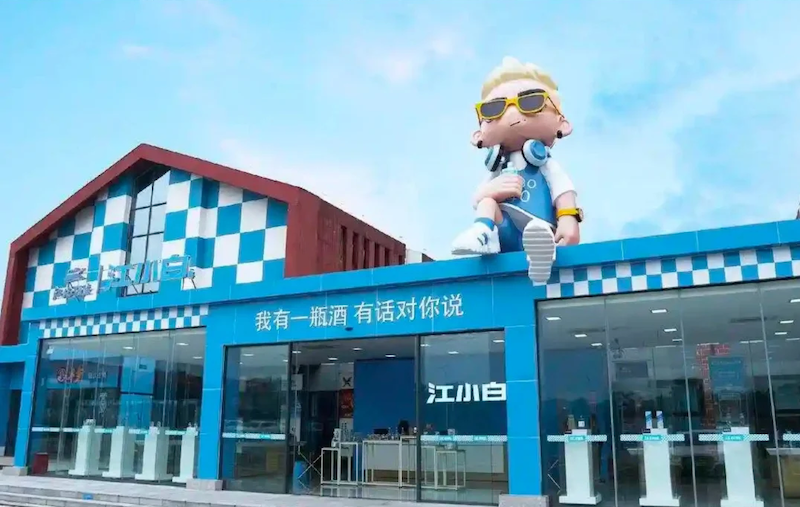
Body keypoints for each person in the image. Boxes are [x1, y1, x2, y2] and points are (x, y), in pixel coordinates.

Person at [451, 56, 583, 284]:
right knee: (486, 203)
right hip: (505, 229)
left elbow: (563, 190)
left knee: (537, 231)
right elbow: (476, 199)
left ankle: (541, 255)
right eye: (494, 108)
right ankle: (482, 234)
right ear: (478, 135)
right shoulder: (497, 167)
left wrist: (568, 218)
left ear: (563, 123)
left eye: (531, 102)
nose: (511, 113)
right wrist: (491, 190)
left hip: (539, 224)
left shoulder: (546, 164)